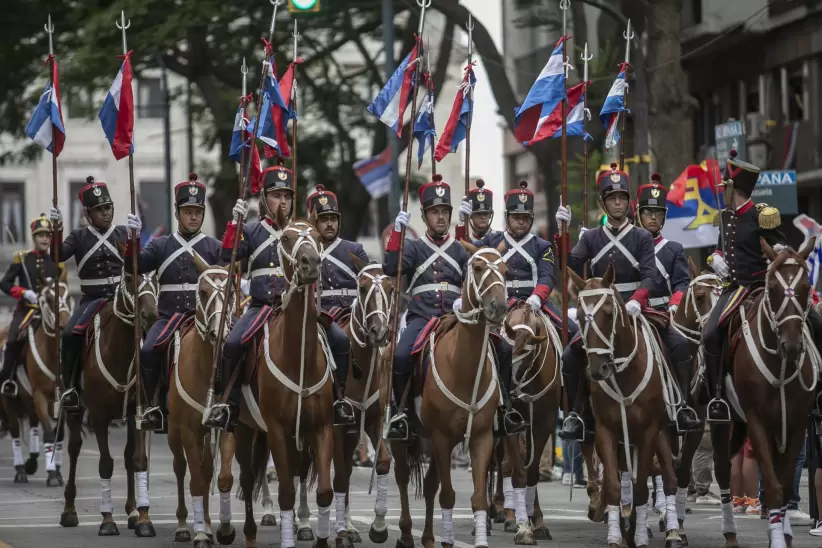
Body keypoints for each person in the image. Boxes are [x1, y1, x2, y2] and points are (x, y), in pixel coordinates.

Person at [204, 166, 355, 431]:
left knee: (340, 340)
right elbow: (227, 257)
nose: (282, 201)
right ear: (263, 198)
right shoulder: (251, 231)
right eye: (276, 195)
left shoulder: (301, 229)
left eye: (287, 196)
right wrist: (233, 224)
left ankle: (338, 400)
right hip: (262, 306)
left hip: (298, 307)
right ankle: (229, 404)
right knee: (233, 343)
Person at [702, 150, 822, 422]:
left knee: (815, 322)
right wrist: (716, 259)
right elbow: (720, 248)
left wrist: (781, 255)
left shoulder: (762, 214)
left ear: (735, 188)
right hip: (734, 289)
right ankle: (717, 395)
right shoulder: (725, 216)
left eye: (726, 187)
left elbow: (781, 248)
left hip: (761, 285)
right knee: (710, 333)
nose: (722, 192)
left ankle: (817, 391)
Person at [555, 163, 664, 441]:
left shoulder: (641, 236)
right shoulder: (592, 237)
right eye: (612, 198)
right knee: (570, 356)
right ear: (604, 203)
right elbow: (569, 262)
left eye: (622, 198)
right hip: (599, 314)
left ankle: (679, 405)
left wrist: (638, 300)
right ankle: (577, 414)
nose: (618, 203)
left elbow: (650, 274)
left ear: (629, 202)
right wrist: (563, 233)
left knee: (673, 342)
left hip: (633, 309)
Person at [457, 180, 567, 435]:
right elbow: (468, 260)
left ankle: (570, 405)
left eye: (526, 218)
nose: (521, 222)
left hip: (534, 304)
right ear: (507, 217)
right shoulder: (491, 241)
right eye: (516, 217)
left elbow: (547, 276)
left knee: (571, 334)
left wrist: (537, 298)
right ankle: (500, 401)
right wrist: (461, 227)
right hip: (500, 305)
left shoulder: (542, 246)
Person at [124, 173, 223, 432]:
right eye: (188, 211)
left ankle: (229, 401)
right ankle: (154, 405)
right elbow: (134, 266)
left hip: (205, 316)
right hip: (170, 316)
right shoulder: (159, 246)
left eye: (197, 212)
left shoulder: (214, 247)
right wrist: (132, 240)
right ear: (177, 213)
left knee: (233, 343)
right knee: (147, 351)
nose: (193, 217)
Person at [384, 175, 469, 441]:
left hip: (455, 319)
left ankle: (500, 409)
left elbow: (474, 280)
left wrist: (462, 300)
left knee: (494, 346)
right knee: (399, 356)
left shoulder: (460, 250)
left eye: (445, 212)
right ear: (424, 215)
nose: (441, 217)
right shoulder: (413, 247)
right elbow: (389, 268)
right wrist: (397, 234)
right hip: (422, 317)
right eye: (435, 212)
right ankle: (401, 413)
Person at [52, 177, 128, 413]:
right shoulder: (79, 236)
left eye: (108, 208)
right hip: (92, 300)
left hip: (121, 299)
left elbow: (139, 262)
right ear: (87, 213)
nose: (105, 213)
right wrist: (57, 229)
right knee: (69, 335)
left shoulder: (123, 232)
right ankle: (71, 388)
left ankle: (155, 391)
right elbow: (57, 256)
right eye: (98, 210)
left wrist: (135, 238)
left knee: (148, 330)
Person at [634, 175, 701, 432]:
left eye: (658, 213)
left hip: (661, 314)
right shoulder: (630, 246)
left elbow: (682, 282)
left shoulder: (673, 249)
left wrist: (674, 304)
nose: (653, 218)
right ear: (639, 214)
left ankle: (683, 404)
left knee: (681, 347)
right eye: (648, 212)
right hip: (633, 312)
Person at [308, 184, 365, 420]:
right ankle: (338, 396)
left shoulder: (354, 249)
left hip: (352, 312)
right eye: (323, 219)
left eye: (333, 218)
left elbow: (369, 281)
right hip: (321, 314)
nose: (330, 224)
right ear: (314, 222)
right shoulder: (307, 249)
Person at [0, 215, 62, 396]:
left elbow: (62, 288)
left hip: (49, 311)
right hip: (27, 311)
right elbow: (5, 284)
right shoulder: (23, 260)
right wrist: (24, 293)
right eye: (40, 235)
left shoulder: (56, 263)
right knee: (12, 340)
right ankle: (8, 379)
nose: (44, 239)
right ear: (34, 238)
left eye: (47, 236)